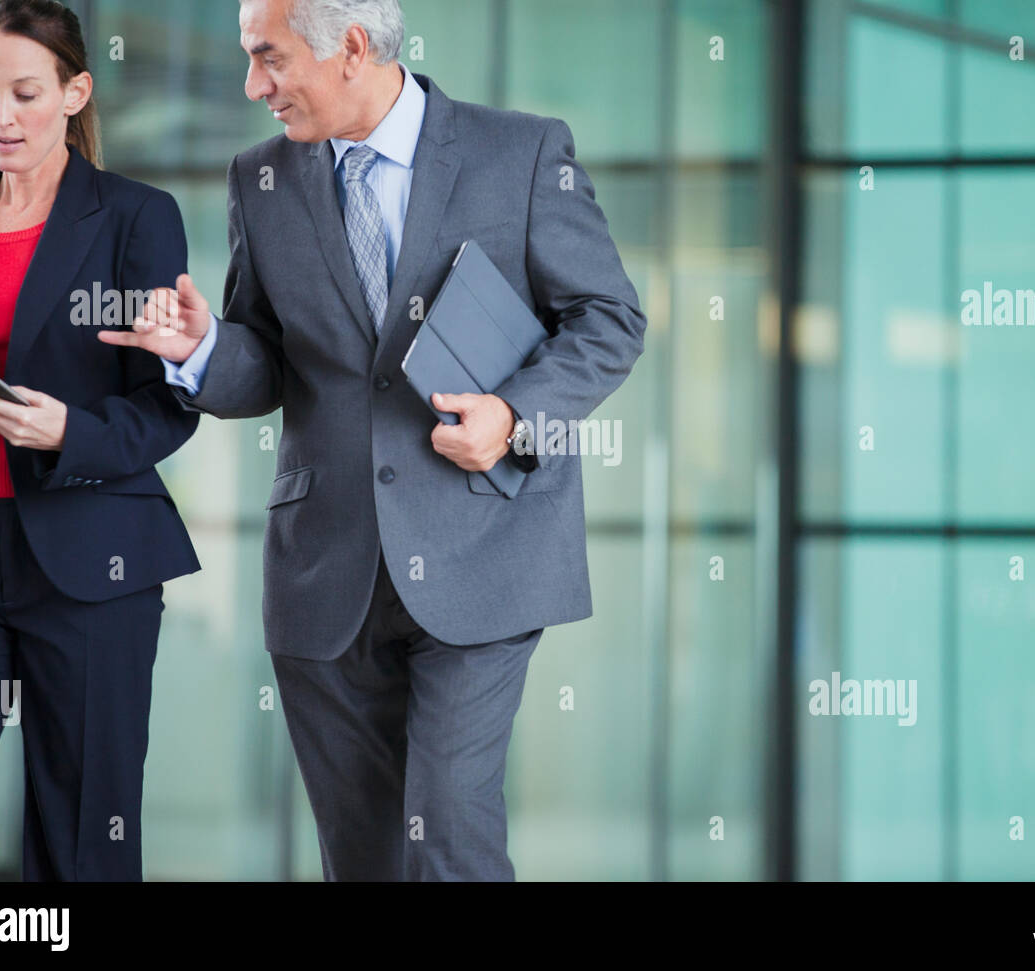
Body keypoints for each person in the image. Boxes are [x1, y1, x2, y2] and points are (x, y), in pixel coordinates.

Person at [106, 0, 645, 881]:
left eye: (269, 58)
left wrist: (513, 417)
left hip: (485, 552)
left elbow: (610, 317)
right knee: (361, 855)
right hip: (329, 566)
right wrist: (201, 348)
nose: (254, 87)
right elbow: (268, 363)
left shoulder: (522, 153)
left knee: (450, 831)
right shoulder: (260, 179)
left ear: (351, 47)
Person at [0, 0, 200, 881]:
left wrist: (68, 429)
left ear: (76, 92)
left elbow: (168, 408)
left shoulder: (135, 217)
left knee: (83, 837)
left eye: (26, 93)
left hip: (91, 567)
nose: (2, 117)